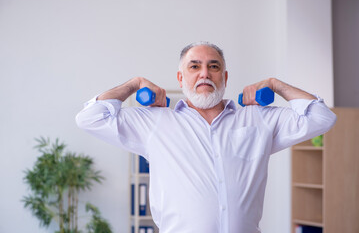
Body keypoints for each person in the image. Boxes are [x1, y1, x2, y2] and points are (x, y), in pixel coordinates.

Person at [76, 41, 336, 233]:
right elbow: (90, 118)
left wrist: (276, 84)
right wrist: (133, 84)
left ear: (224, 77)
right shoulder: (155, 122)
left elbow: (322, 118)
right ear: (181, 78)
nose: (204, 73)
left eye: (214, 67)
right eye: (194, 66)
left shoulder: (258, 119)